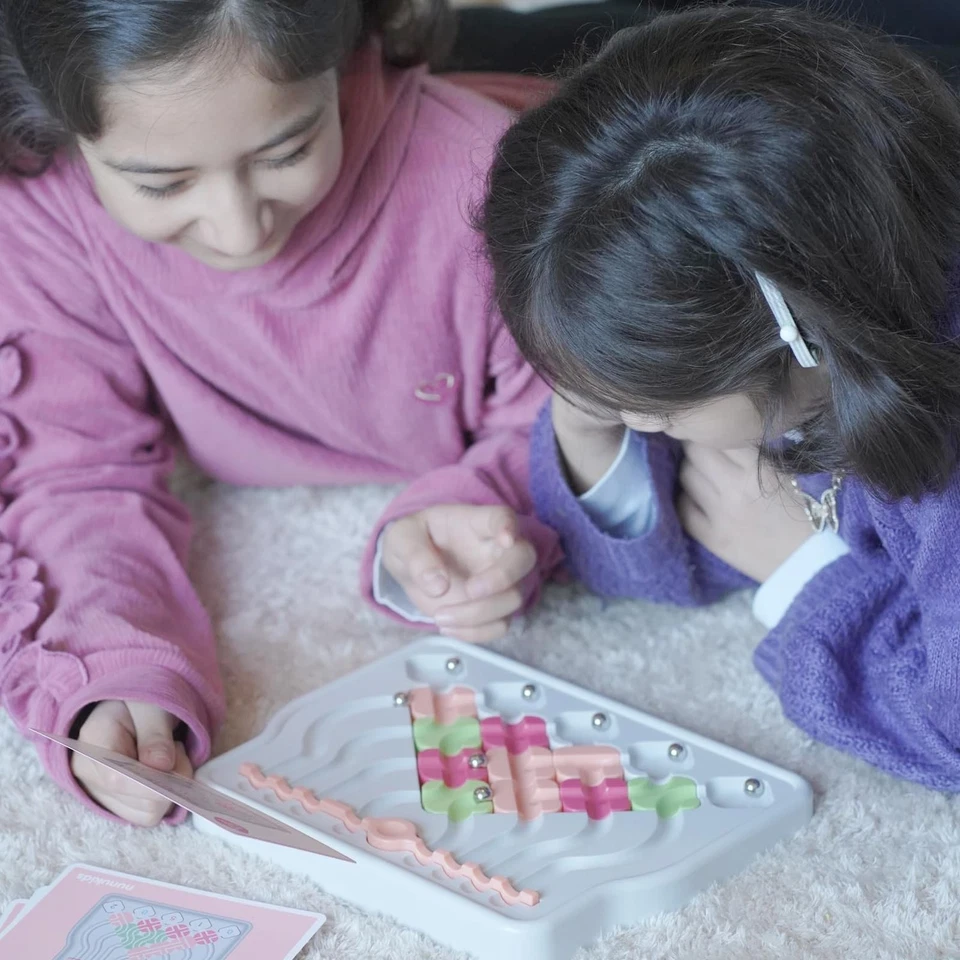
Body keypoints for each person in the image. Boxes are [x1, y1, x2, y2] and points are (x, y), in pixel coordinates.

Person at [0, 0, 563, 827]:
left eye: (287, 149)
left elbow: (571, 416)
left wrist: (485, 496)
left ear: (342, 63)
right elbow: (75, 466)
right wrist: (106, 663)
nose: (236, 229)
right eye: (162, 182)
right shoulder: (43, 206)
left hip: (559, 81)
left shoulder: (490, 174)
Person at [482, 5, 960, 789]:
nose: (634, 420)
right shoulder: (801, 327)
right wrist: (590, 440)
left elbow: (947, 733)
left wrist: (805, 571)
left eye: (657, 411)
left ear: (802, 337)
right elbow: (684, 550)